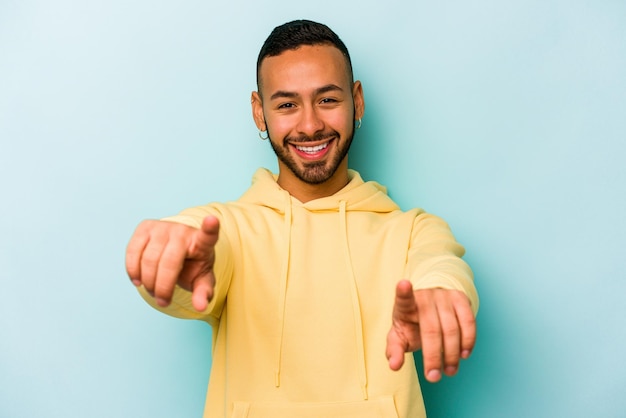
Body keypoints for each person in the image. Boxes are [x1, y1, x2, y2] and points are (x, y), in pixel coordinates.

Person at [126, 19, 479, 418]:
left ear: (356, 101)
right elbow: (200, 248)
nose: (310, 125)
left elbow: (440, 264)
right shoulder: (229, 231)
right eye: (287, 105)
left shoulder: (413, 231)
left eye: (327, 100)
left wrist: (440, 292)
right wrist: (173, 259)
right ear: (260, 113)